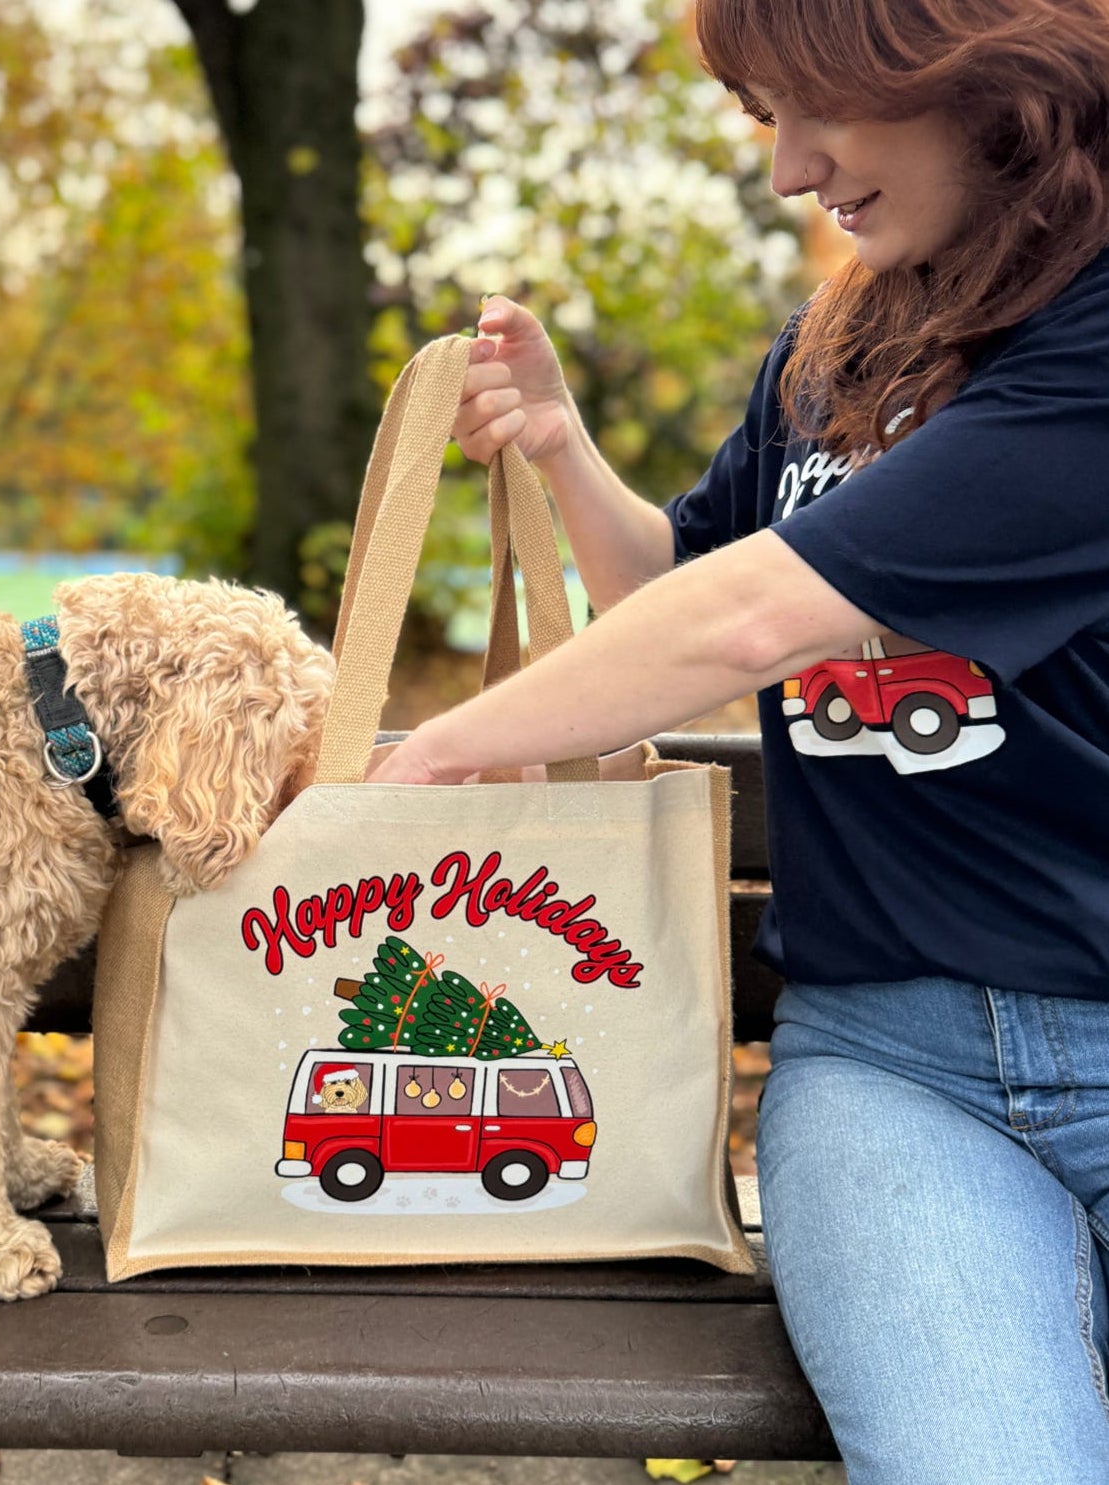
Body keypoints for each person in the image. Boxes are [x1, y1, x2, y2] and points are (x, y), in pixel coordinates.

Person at [369, 0, 1109, 1476]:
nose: (787, 168)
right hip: (894, 1073)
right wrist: (565, 447)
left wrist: (423, 763)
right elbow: (680, 591)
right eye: (764, 116)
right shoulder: (837, 341)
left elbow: (758, 619)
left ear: (972, 75)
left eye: (810, 105)